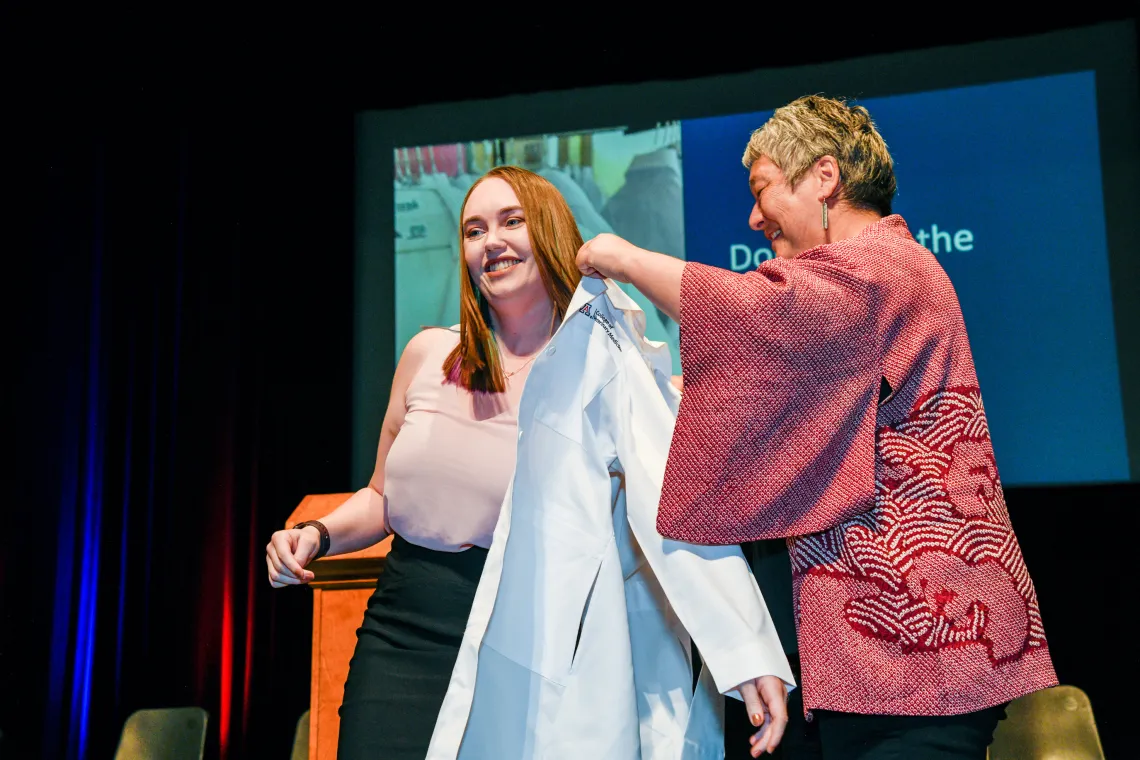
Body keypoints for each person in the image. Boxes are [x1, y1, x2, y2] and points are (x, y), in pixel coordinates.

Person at [576, 95, 1058, 759]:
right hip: (870, 664)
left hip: (921, 657)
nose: (752, 215)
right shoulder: (869, 289)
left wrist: (627, 258)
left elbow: (763, 315)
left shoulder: (883, 266)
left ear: (825, 177)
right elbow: (780, 399)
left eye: (764, 188)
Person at [267, 165, 789, 759]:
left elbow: (676, 516)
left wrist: (745, 649)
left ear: (549, 231)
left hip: (528, 643)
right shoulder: (428, 354)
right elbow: (381, 500)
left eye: (512, 222)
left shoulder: (602, 370)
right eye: (474, 229)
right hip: (402, 635)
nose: (492, 242)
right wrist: (314, 534)